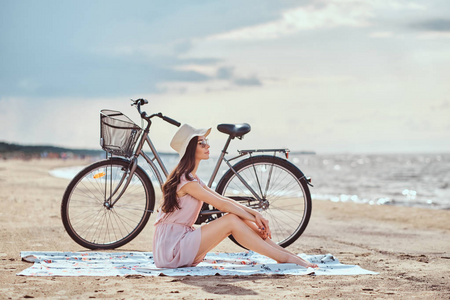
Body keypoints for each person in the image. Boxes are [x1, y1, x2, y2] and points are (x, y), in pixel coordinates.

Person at [152, 124, 318, 269]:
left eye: (206, 141)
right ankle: (285, 258)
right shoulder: (186, 181)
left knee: (236, 217)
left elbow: (224, 200)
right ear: (190, 149)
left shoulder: (193, 178)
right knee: (231, 219)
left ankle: (288, 256)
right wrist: (254, 219)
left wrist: (255, 215)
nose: (207, 146)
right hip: (171, 250)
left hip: (180, 242)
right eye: (201, 143)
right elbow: (222, 206)